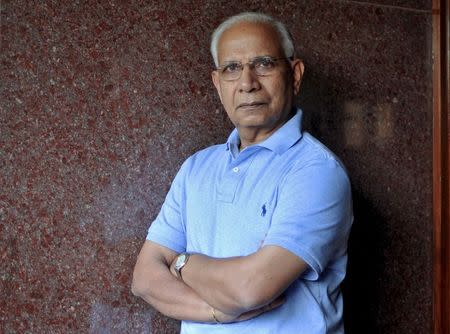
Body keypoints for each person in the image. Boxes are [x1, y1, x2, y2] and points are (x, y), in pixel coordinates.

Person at [132, 12, 353, 334]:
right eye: (232, 68)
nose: (248, 83)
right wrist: (217, 313)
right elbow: (144, 279)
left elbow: (250, 289)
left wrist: (181, 263)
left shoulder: (316, 171)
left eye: (263, 63)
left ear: (294, 74)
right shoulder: (196, 167)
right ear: (217, 83)